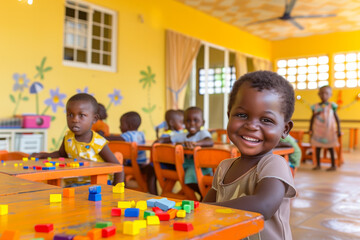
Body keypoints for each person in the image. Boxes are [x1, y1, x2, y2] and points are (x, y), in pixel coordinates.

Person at [203, 71, 296, 240]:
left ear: (285, 129)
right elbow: (204, 207)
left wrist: (206, 211)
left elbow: (264, 205)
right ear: (229, 116)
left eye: (266, 120)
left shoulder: (274, 164)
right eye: (241, 115)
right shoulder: (224, 167)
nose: (252, 126)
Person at [30, 93, 123, 185]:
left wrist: (116, 189)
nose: (74, 120)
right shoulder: (68, 138)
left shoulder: (98, 142)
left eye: (81, 115)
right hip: (73, 184)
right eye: (70, 115)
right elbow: (61, 154)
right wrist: (43, 155)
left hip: (97, 186)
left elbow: (118, 168)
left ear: (94, 119)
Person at [158, 106, 213, 195]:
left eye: (196, 120)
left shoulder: (202, 133)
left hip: (201, 165)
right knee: (182, 174)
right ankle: (204, 195)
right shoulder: (183, 135)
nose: (192, 123)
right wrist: (160, 140)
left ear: (203, 123)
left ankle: (205, 195)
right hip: (186, 164)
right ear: (183, 123)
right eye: (188, 121)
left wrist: (195, 144)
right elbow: (169, 139)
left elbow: (209, 141)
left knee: (188, 177)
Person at [110, 111, 157, 195]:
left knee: (120, 169)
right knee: (152, 170)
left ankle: (122, 190)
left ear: (129, 126)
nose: (119, 127)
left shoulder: (128, 135)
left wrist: (105, 136)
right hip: (142, 164)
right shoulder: (141, 134)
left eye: (121, 124)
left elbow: (118, 138)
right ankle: (153, 194)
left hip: (131, 164)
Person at [309, 85, 341, 171]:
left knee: (330, 147)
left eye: (326, 93)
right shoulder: (315, 106)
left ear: (330, 94)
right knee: (318, 147)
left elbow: (337, 118)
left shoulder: (332, 106)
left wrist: (339, 129)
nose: (324, 96)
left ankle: (333, 165)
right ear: (319, 94)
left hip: (329, 130)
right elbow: (312, 118)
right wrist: (310, 129)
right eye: (322, 93)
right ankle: (318, 164)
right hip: (318, 130)